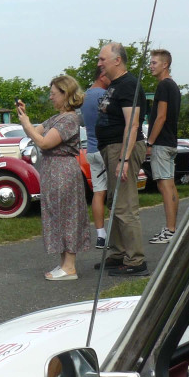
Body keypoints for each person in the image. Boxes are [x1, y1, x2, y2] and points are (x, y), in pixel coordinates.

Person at [17, 75, 93, 280]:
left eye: (53, 94)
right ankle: (64, 264)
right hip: (53, 171)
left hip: (63, 172)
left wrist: (27, 124)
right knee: (57, 215)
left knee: (66, 215)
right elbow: (35, 130)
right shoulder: (56, 118)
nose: (50, 98)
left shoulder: (69, 119)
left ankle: (70, 267)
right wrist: (24, 117)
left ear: (65, 94)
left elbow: (43, 142)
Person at [95, 41, 148, 276]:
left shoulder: (128, 85)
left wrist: (124, 160)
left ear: (117, 60)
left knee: (125, 205)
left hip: (122, 149)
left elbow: (133, 123)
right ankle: (118, 253)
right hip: (112, 148)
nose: (99, 64)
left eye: (102, 59)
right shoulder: (116, 85)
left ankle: (136, 260)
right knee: (114, 203)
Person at [146, 49, 181, 244]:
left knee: (164, 185)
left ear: (165, 65)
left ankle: (170, 230)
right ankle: (173, 228)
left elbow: (161, 116)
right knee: (170, 185)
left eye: (154, 63)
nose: (151, 66)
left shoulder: (163, 86)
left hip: (161, 143)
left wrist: (150, 142)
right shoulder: (173, 86)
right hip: (171, 142)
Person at [81, 67, 110, 249]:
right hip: (106, 149)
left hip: (91, 149)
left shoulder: (83, 97)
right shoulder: (107, 95)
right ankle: (118, 233)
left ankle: (100, 234)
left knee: (98, 193)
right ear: (101, 75)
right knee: (115, 194)